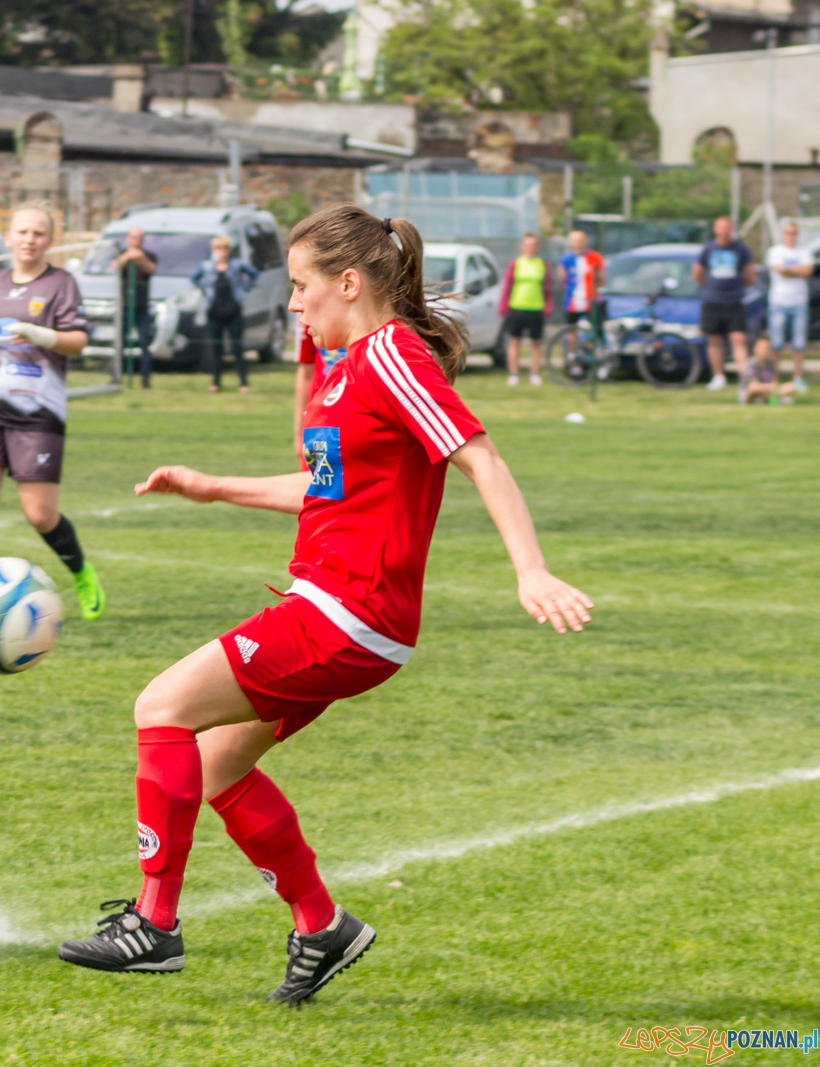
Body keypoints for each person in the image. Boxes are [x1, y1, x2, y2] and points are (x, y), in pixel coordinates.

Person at [56, 206, 593, 1004]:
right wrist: (213, 486)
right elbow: (323, 487)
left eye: (303, 286)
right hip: (343, 615)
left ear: (350, 282)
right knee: (211, 770)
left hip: (346, 615)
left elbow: (478, 453)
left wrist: (532, 570)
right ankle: (321, 925)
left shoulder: (391, 354)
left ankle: (154, 923)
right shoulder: (347, 368)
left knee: (160, 707)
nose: (295, 303)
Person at [0, 205, 106, 620]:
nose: (29, 239)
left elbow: (78, 341)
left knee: (39, 513)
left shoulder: (62, 283)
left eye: (39, 233)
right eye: (22, 231)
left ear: (50, 241)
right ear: (8, 237)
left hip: (38, 409)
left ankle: (80, 571)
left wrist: (41, 335)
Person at [692, 216, 755, 391]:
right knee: (714, 339)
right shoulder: (708, 249)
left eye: (727, 227)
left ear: (732, 229)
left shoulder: (741, 249)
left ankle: (744, 377)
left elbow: (749, 275)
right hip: (712, 301)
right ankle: (718, 376)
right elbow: (697, 272)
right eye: (721, 227)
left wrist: (736, 286)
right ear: (715, 229)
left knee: (738, 338)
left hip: (734, 301)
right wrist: (710, 285)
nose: (724, 231)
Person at [191, 234, 258, 393]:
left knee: (237, 347)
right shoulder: (207, 267)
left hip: (233, 311)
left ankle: (243, 383)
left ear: (229, 250)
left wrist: (245, 287)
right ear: (212, 249)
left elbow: (254, 273)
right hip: (214, 311)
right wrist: (204, 290)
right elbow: (194, 278)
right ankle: (216, 383)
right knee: (215, 348)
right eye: (218, 247)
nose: (222, 251)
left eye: (225, 247)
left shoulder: (235, 265)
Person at [291, 316, 346, 465]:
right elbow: (305, 374)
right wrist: (299, 433)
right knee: (313, 481)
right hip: (319, 421)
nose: (294, 305)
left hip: (351, 417)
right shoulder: (306, 318)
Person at [498, 232, 552, 386]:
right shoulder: (516, 263)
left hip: (536, 307)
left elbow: (547, 287)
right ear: (523, 246)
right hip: (517, 306)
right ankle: (514, 373)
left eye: (534, 245)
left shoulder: (542, 264)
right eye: (528, 244)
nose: (531, 248)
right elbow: (508, 285)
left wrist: (548, 305)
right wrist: (504, 305)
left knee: (536, 342)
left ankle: (534, 373)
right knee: (515, 340)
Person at [765, 220, 812, 391]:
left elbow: (807, 271)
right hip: (779, 301)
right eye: (788, 233)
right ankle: (774, 378)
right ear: (783, 234)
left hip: (799, 302)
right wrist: (796, 270)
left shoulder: (804, 251)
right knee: (776, 343)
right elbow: (780, 270)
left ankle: (798, 378)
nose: (791, 236)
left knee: (799, 344)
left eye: (794, 233)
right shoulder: (775, 251)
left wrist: (789, 269)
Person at [113, 227, 160, 388]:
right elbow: (114, 267)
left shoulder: (150, 256)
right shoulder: (121, 253)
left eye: (140, 237)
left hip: (142, 305)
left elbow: (151, 269)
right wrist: (127, 257)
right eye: (134, 237)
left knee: (145, 342)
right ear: (128, 238)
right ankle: (117, 376)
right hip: (125, 304)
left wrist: (141, 259)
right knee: (120, 342)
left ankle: (145, 379)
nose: (137, 240)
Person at [557, 229, 605, 336]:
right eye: (575, 241)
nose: (578, 244)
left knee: (596, 330)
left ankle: (597, 349)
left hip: (590, 301)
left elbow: (601, 278)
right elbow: (561, 281)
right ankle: (572, 352)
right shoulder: (565, 260)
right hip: (572, 302)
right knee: (571, 331)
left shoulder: (594, 257)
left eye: (580, 241)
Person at [741, 335, 798, 404]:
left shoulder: (770, 363)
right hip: (750, 392)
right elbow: (753, 385)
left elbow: (774, 382)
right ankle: (771, 399)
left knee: (791, 386)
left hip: (766, 390)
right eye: (762, 348)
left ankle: (767, 399)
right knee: (753, 388)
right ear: (755, 349)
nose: (764, 351)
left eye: (767, 348)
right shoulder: (751, 364)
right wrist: (769, 387)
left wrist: (773, 387)